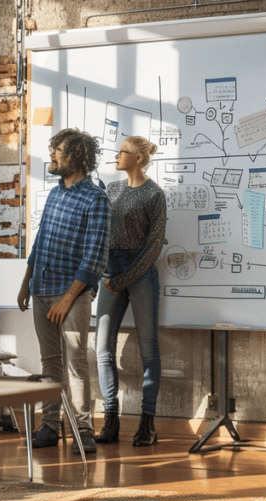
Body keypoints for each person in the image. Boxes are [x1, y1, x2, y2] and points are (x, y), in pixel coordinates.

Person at [17, 128, 109, 456]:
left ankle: (83, 429)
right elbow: (40, 242)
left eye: (57, 150)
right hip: (41, 288)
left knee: (76, 362)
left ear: (77, 157)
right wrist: (26, 280)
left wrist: (68, 299)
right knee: (50, 361)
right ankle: (50, 425)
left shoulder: (96, 198)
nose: (52, 156)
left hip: (73, 294)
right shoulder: (55, 194)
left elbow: (95, 256)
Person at [95, 136, 167, 446]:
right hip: (110, 273)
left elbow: (153, 248)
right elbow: (100, 233)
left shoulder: (154, 194)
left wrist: (123, 279)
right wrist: (105, 273)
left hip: (139, 274)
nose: (117, 155)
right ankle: (110, 418)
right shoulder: (112, 189)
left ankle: (147, 423)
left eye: (123, 152)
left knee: (149, 350)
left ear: (138, 158)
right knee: (102, 349)